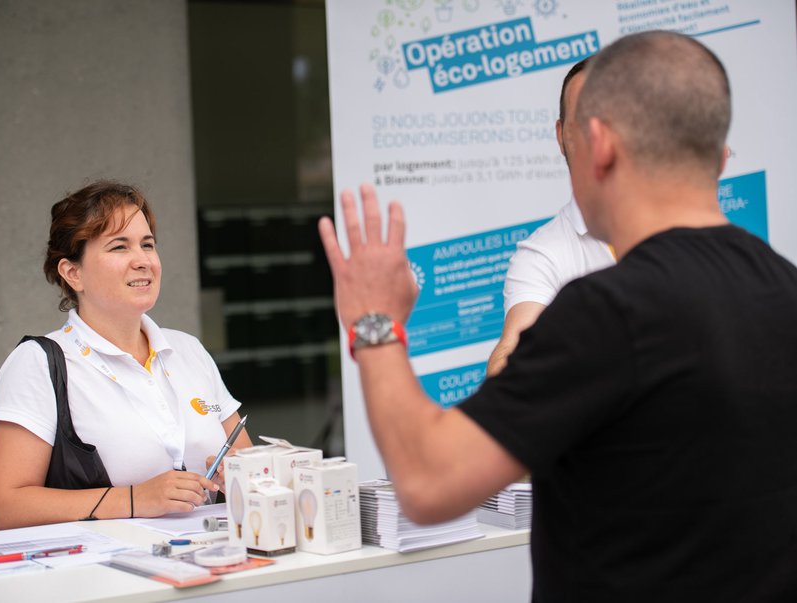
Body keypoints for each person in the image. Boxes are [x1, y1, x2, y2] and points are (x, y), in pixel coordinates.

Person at [318, 31, 797, 601]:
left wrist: (374, 320)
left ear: (597, 145)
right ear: (719, 157)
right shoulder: (785, 286)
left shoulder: (610, 311)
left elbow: (427, 480)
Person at [0, 181, 252, 530]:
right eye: (119, 247)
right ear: (73, 273)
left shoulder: (188, 350)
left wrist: (240, 472)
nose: (142, 261)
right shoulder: (38, 363)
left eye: (147, 245)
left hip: (212, 562)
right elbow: (5, 508)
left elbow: (247, 459)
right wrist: (134, 498)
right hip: (105, 579)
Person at [487, 57, 615, 376]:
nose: (595, 140)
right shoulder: (543, 254)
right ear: (560, 137)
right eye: (582, 123)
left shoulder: (681, 230)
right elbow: (512, 348)